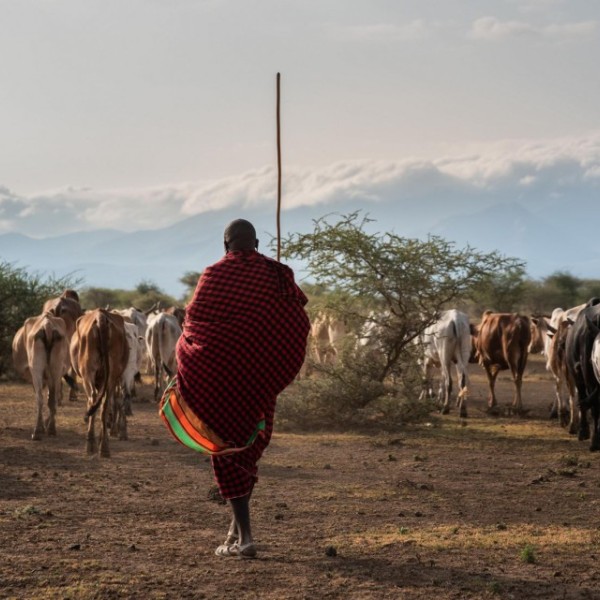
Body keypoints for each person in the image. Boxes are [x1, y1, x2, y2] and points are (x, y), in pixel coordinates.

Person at [175, 219, 310, 558]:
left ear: (225, 246)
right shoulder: (278, 273)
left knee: (227, 452)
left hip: (220, 384)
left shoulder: (213, 275)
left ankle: (245, 538)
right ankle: (237, 532)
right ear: (258, 244)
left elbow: (192, 326)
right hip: (258, 383)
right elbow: (297, 320)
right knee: (246, 452)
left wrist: (188, 362)